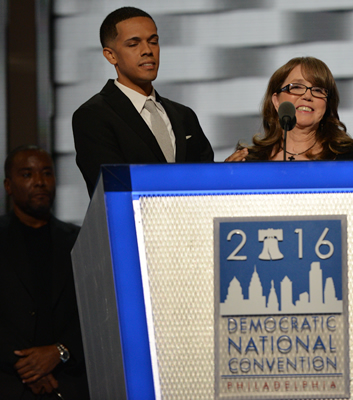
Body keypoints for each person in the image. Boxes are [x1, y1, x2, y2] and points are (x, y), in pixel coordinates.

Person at [72, 6, 214, 196]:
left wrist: (224, 173)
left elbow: (206, 179)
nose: (147, 50)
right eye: (133, 44)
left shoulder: (183, 115)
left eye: (153, 41)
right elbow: (114, 187)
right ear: (110, 55)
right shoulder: (93, 116)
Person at [0, 145, 89, 399]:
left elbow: (96, 311)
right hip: (8, 383)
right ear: (8, 185)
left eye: (46, 173)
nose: (39, 182)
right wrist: (28, 367)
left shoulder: (79, 241)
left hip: (68, 384)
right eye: (27, 174)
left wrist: (61, 351)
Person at [226, 57, 353, 161]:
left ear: (327, 104)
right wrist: (222, 180)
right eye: (297, 87)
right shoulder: (249, 161)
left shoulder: (350, 158)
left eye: (318, 90)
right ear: (276, 101)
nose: (307, 96)